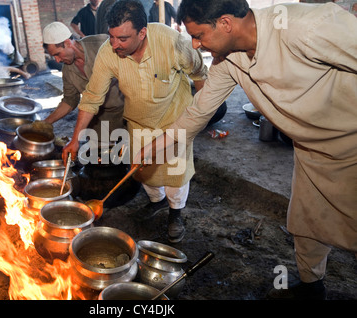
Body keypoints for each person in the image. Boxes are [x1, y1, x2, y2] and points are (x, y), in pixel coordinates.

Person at [137, 0, 357, 299]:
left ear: (225, 23)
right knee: (306, 223)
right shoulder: (229, 59)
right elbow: (198, 111)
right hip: (310, 151)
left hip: (352, 146)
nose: (195, 44)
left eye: (199, 35)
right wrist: (157, 145)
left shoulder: (307, 27)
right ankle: (311, 287)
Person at [62, 0, 208, 243]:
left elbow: (200, 76)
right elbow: (91, 97)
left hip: (174, 122)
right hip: (138, 122)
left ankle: (175, 213)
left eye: (123, 38)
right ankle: (156, 201)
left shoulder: (173, 42)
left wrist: (199, 117)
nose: (114, 44)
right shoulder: (108, 53)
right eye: (111, 36)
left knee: (175, 175)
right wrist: (76, 139)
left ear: (142, 33)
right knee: (143, 172)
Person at [41, 22, 125, 140]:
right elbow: (70, 101)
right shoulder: (68, 71)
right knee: (101, 155)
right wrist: (46, 122)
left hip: (126, 112)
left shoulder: (101, 44)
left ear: (67, 43)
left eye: (58, 54)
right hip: (97, 119)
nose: (57, 60)